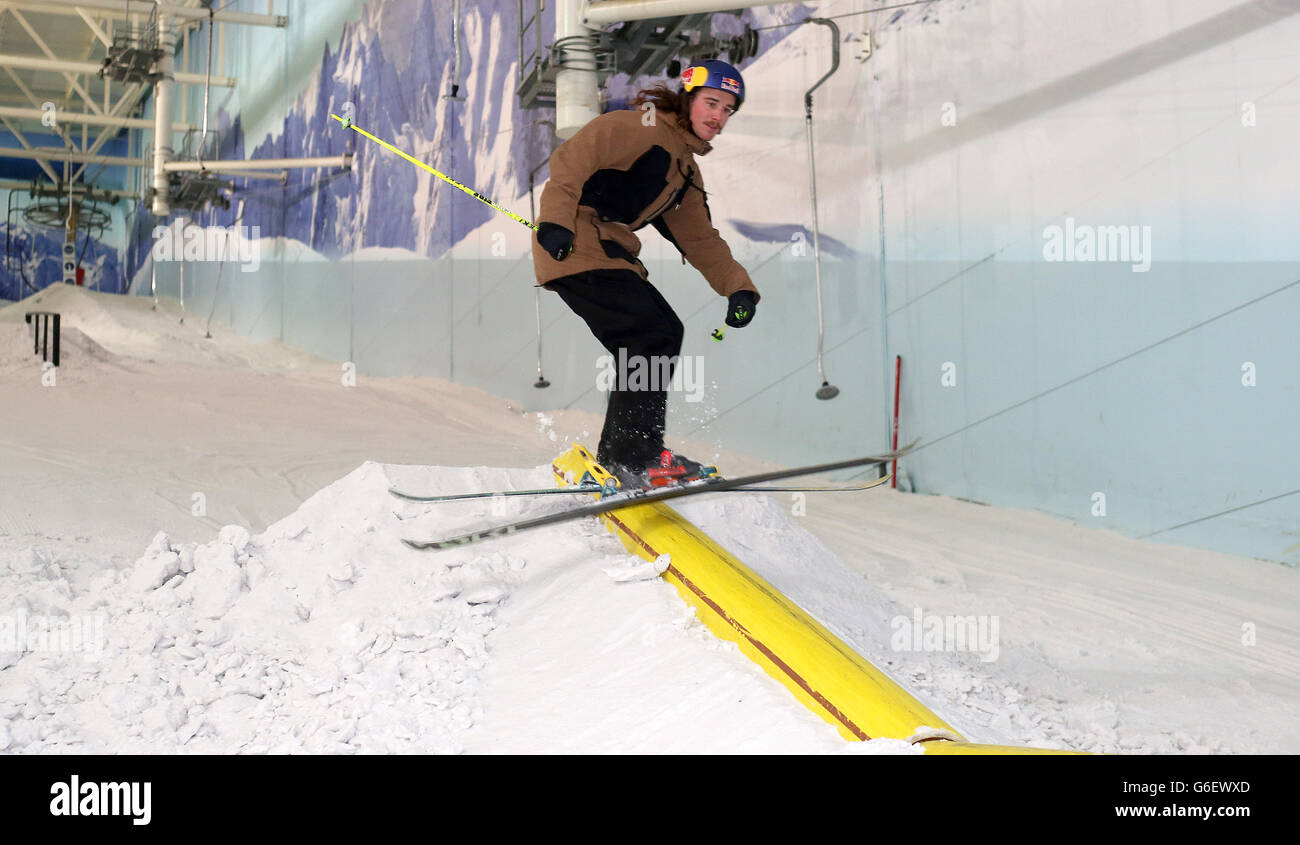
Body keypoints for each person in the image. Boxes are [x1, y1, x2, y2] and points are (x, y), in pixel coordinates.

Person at [533, 59, 760, 489]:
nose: (718, 116)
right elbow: (575, 156)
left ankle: (625, 455)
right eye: (711, 103)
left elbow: (701, 241)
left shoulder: (685, 172)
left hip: (608, 253)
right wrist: (555, 220)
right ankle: (635, 456)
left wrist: (739, 290)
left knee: (658, 334)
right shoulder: (646, 128)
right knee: (649, 334)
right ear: (688, 98)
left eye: (728, 109)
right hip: (575, 243)